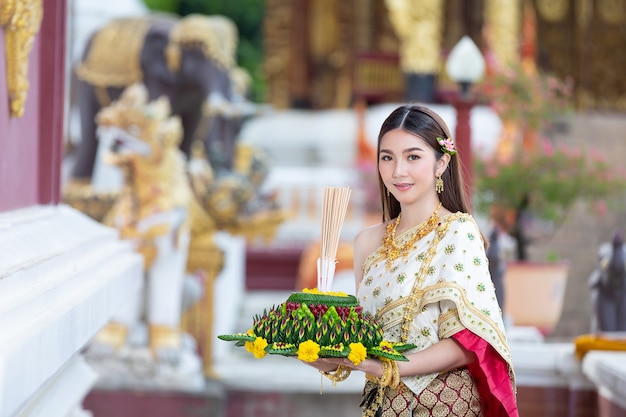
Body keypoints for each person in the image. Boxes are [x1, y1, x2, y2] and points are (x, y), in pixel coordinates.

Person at [309, 104, 519, 417]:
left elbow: (469, 341)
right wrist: (318, 353)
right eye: (387, 157)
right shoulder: (367, 242)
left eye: (413, 157)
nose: (398, 171)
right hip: (383, 405)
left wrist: (386, 366)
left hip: (445, 406)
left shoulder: (458, 232)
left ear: (441, 163)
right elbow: (365, 341)